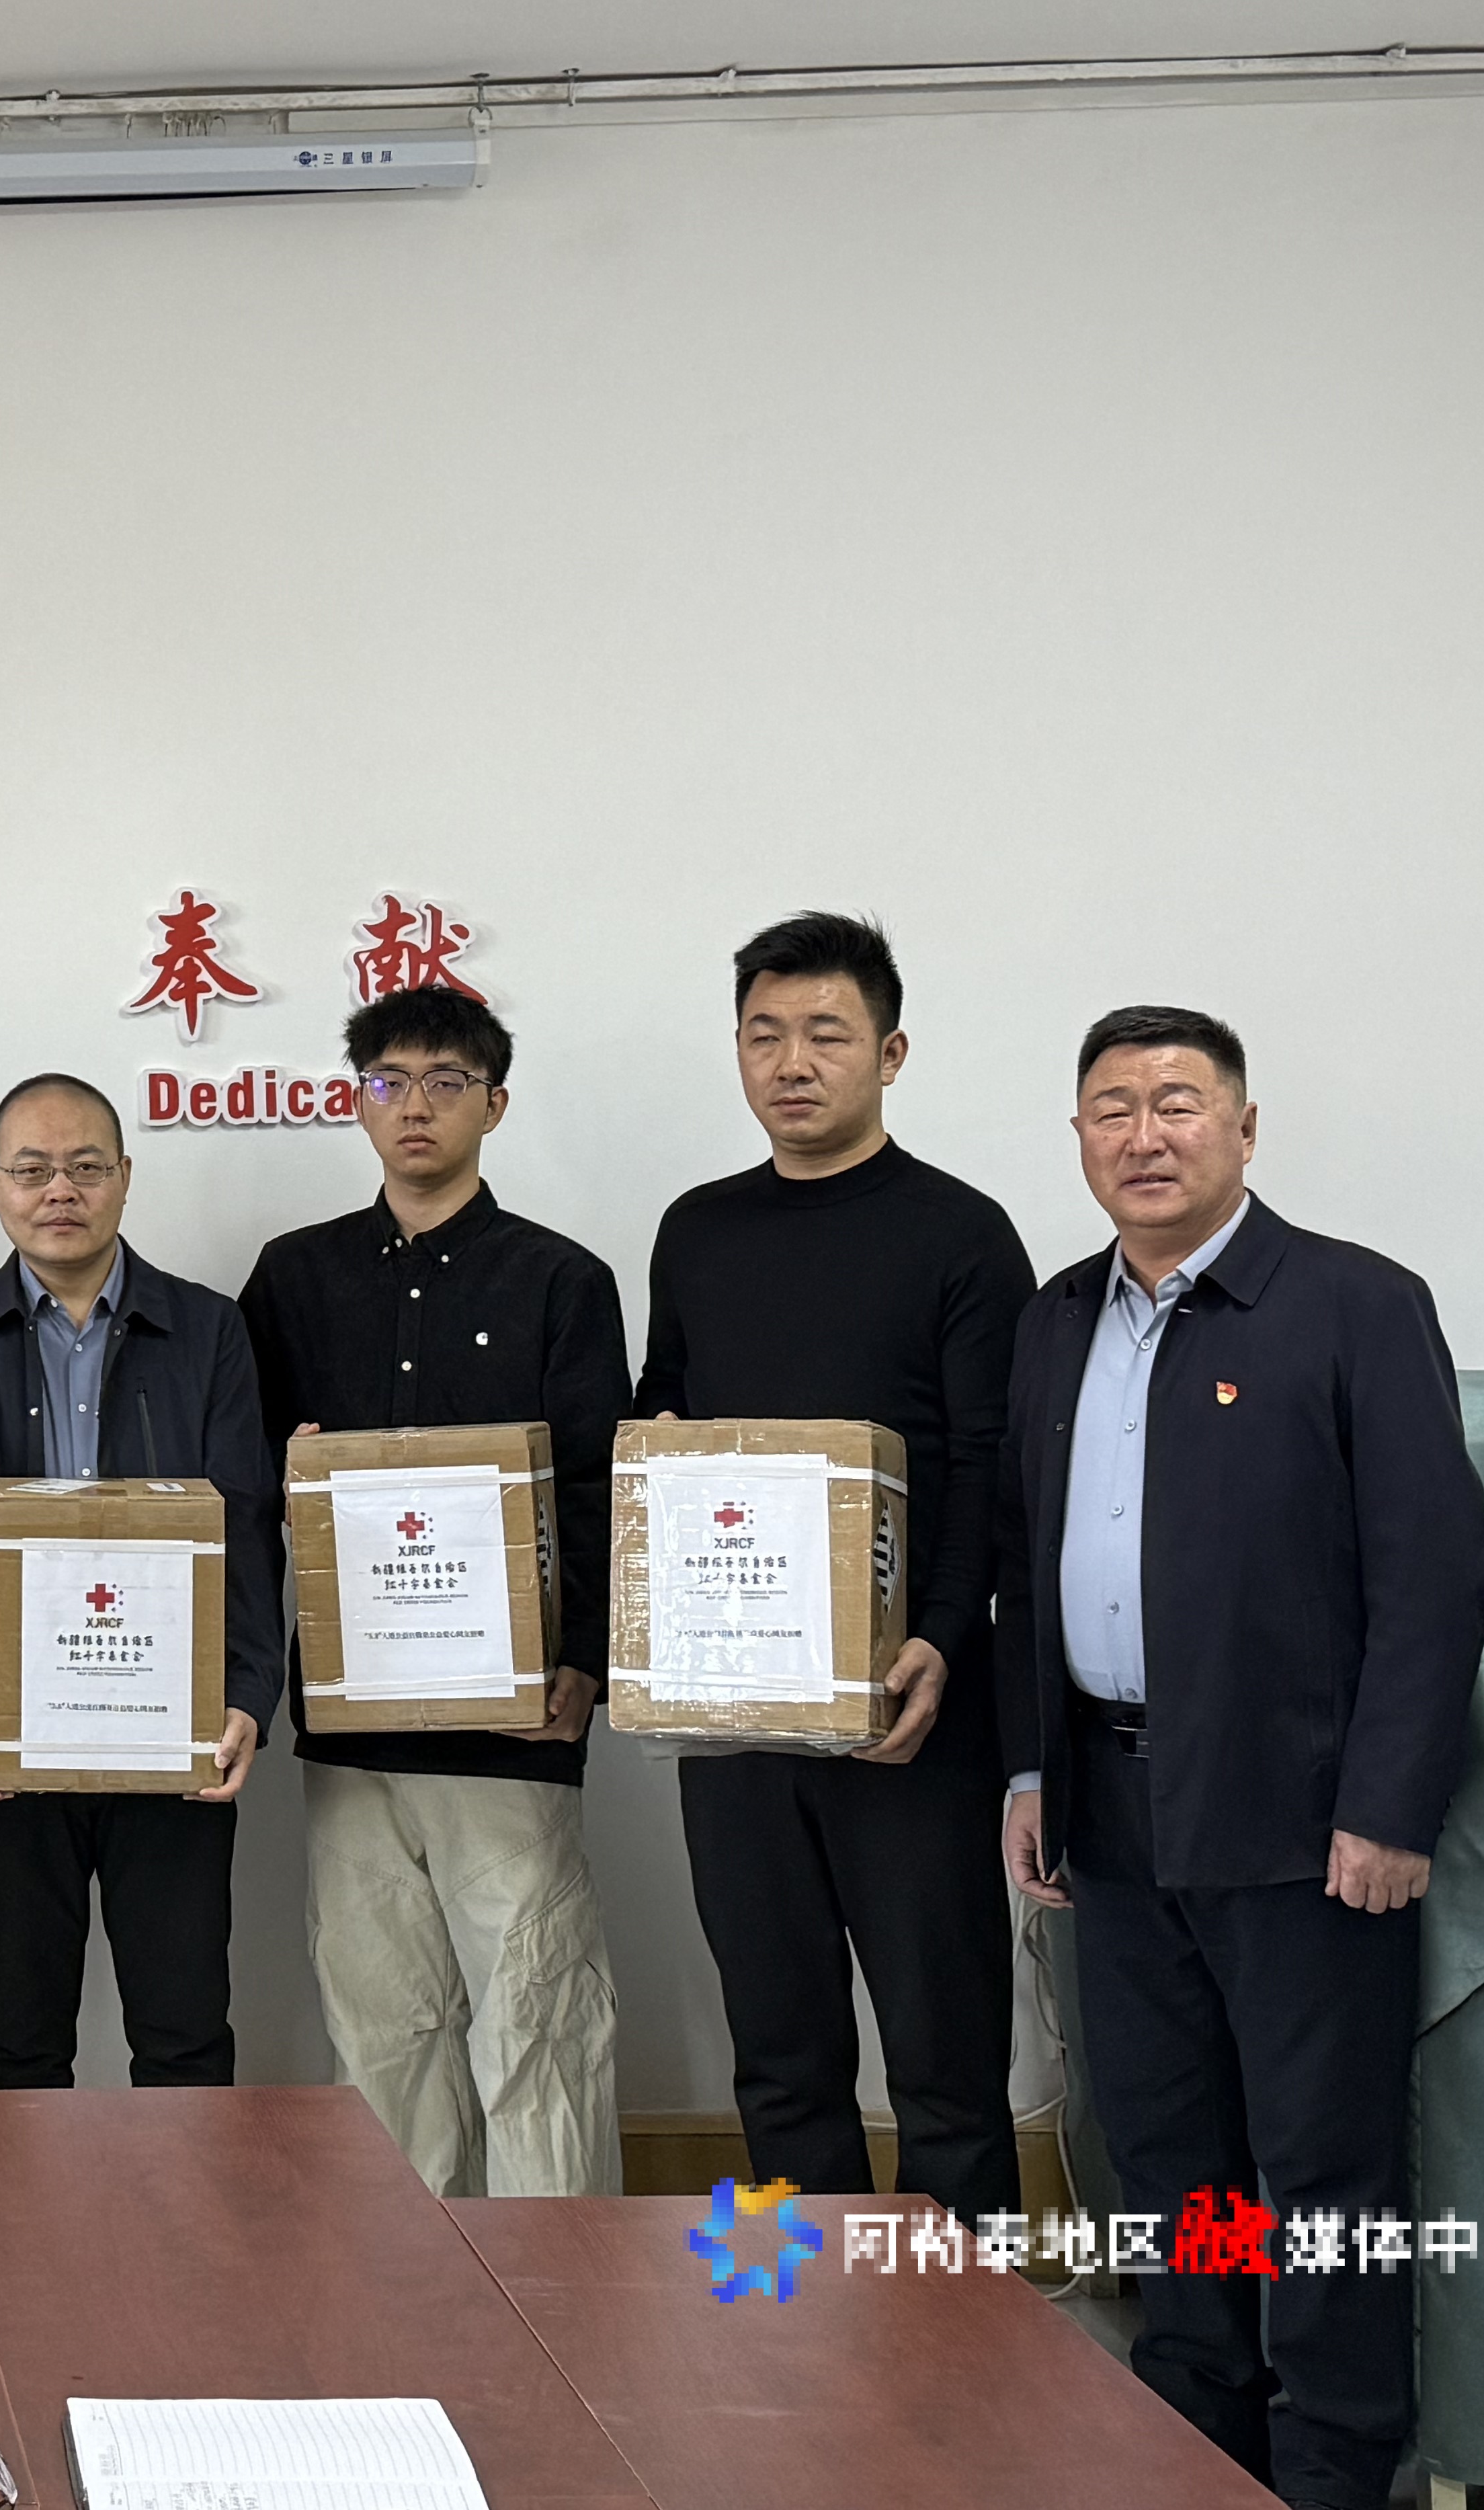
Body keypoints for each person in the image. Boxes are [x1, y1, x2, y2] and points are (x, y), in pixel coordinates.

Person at [997, 1010, 1484, 2510]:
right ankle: (1195, 2441)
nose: (1143, 1136)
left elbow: (1437, 1574)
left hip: (1305, 1821)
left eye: (1177, 1103)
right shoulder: (1055, 1319)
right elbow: (1026, 1562)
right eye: (1111, 1110)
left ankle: (1336, 2463)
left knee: (1323, 2169)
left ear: (1245, 1127)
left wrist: (1389, 1806)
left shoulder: (1354, 1303)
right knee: (1171, 2160)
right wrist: (1031, 1772)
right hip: (1113, 1806)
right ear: (1078, 1140)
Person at [636, 913, 1031, 2222]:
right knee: (780, 2047)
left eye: (825, 1034)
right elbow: (664, 1415)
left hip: (910, 1706)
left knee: (943, 2055)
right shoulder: (697, 1231)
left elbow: (990, 1463)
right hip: (734, 1711)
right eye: (764, 1035)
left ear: (891, 1053)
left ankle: (961, 2319)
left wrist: (942, 1642)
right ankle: (811, 2322)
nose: (791, 1063)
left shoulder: (962, 1235)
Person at [238, 985, 631, 2195]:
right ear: (356, 1104)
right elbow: (243, 1490)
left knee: (536, 2023)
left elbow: (598, 1489)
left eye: (447, 1083)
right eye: (389, 1082)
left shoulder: (561, 1280)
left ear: (494, 1105)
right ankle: (411, 2284)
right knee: (382, 2031)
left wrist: (587, 1666)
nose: (416, 1106)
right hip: (351, 1733)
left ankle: (556, 2283)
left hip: (512, 1733)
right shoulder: (293, 1279)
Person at [0, 1073, 281, 2087]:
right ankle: (20, 2206)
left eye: (85, 1166)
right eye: (32, 1170)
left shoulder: (209, 1330)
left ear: (124, 1178)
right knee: (19, 2034)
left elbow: (246, 1521)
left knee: (184, 2028)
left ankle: (189, 2201)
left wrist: (248, 1694)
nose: (59, 1190)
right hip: (9, 1732)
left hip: (174, 1725)